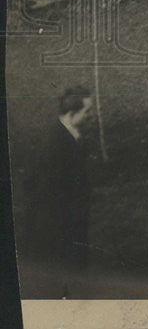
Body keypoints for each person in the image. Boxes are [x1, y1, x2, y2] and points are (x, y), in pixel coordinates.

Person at [23, 87, 94, 288]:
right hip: (58, 226)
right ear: (72, 114)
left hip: (70, 220)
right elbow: (45, 189)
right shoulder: (55, 143)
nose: (91, 116)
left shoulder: (71, 134)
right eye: (87, 111)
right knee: (62, 279)